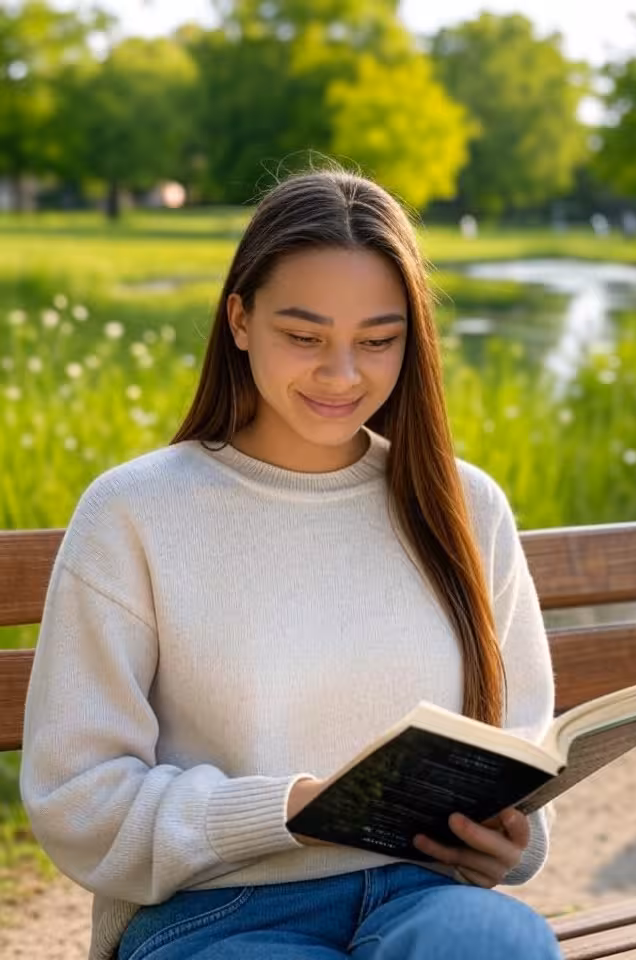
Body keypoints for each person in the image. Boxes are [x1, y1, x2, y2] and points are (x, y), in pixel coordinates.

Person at [20, 167, 563, 960]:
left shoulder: (466, 506)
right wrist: (289, 808)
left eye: (378, 341)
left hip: (422, 891)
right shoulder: (136, 512)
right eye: (304, 337)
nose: (343, 375)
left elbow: (522, 752)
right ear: (239, 319)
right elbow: (79, 798)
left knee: (500, 942)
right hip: (217, 914)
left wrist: (512, 842)